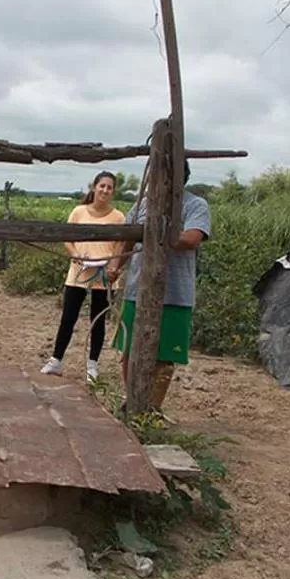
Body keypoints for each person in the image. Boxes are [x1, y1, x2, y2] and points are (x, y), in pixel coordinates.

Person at [107, 160, 210, 411]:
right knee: (129, 351)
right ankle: (132, 402)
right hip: (135, 290)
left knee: (165, 357)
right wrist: (114, 266)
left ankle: (152, 409)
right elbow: (126, 241)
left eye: (166, 175)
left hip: (176, 294)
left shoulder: (195, 205)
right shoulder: (141, 204)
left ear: (180, 179)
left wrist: (154, 232)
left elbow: (192, 239)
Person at [40, 171, 126, 382]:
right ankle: (56, 359)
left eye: (109, 187)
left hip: (103, 274)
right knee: (68, 317)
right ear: (94, 187)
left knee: (97, 321)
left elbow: (122, 244)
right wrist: (76, 255)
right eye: (102, 186)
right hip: (78, 272)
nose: (105, 190)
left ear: (113, 192)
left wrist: (114, 267)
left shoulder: (118, 217)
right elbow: (67, 237)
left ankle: (92, 365)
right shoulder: (79, 211)